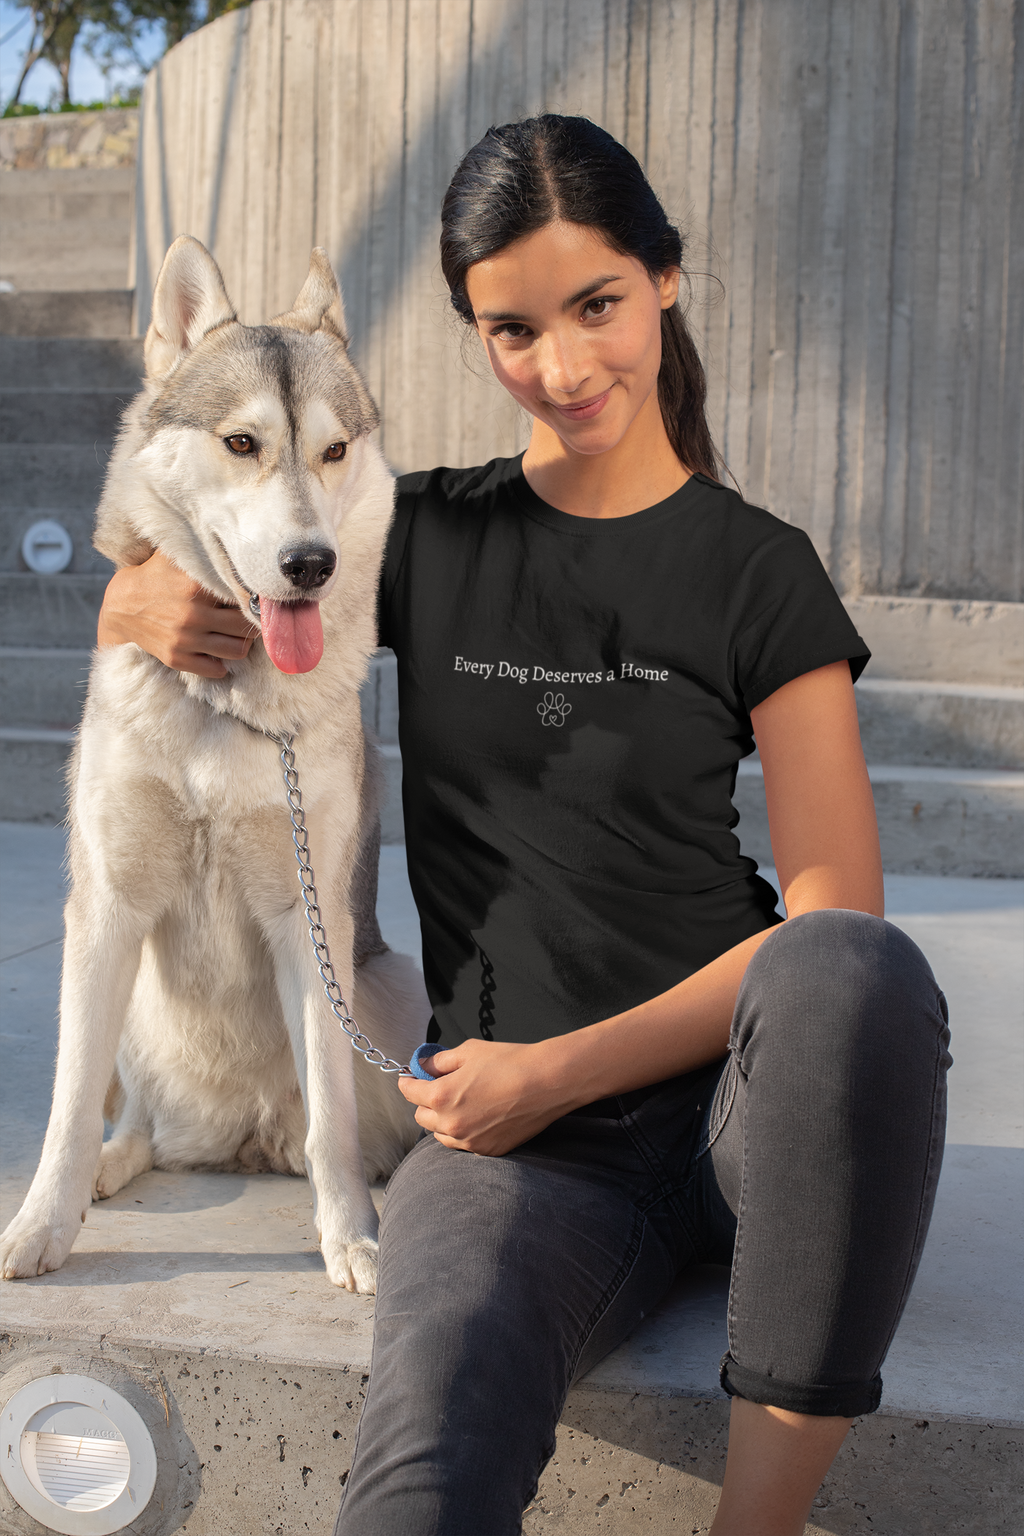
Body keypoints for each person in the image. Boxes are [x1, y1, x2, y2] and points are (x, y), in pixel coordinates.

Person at [97, 115, 951, 1536]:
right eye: (512, 328)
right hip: (518, 1161)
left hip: (747, 1114)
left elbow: (833, 916)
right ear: (475, 335)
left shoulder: (758, 573)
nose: (563, 368)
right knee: (419, 1487)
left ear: (663, 281)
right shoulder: (416, 538)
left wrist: (555, 1069)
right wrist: (134, 600)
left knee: (855, 975)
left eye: (598, 305)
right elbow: (196, 542)